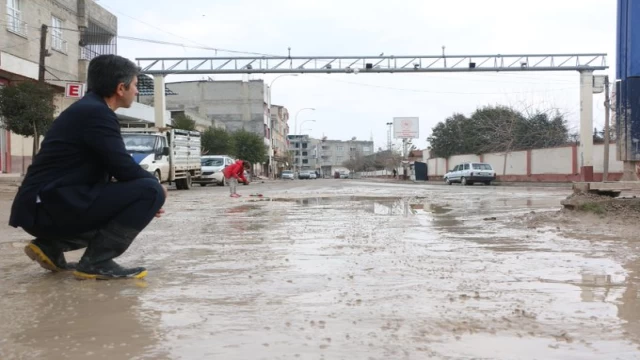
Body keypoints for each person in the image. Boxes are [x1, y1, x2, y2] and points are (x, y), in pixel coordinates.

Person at [9, 54, 167, 280]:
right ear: (120, 88)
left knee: (145, 192)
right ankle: (97, 262)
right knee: (151, 190)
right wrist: (156, 192)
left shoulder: (89, 109)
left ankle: (51, 246)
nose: (137, 91)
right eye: (135, 85)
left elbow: (115, 168)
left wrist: (145, 200)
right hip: (47, 208)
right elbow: (124, 168)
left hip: (45, 207)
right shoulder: (96, 113)